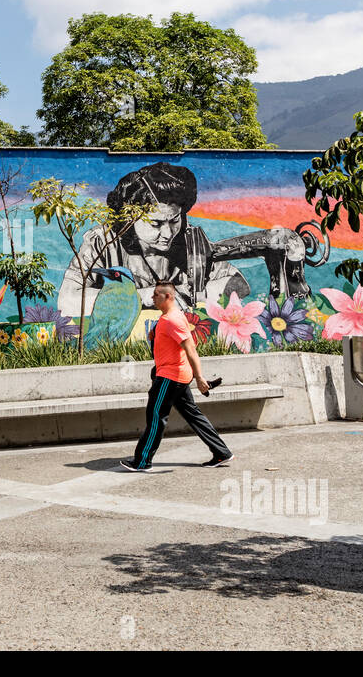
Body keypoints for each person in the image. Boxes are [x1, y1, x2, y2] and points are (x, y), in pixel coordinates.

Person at [57, 162, 311, 321]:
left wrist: (201, 295)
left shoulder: (189, 239)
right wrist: (144, 296)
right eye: (156, 224)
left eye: (174, 220)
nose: (168, 233)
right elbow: (67, 300)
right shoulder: (102, 243)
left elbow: (238, 285)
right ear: (129, 218)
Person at [120, 281, 234, 472]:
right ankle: (221, 452)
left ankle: (142, 462)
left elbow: (191, 349)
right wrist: (155, 333)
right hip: (177, 375)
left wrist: (200, 378)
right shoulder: (169, 318)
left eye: (156, 294)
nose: (152, 297)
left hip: (170, 378)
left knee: (156, 417)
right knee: (193, 415)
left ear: (168, 297)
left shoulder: (172, 319)